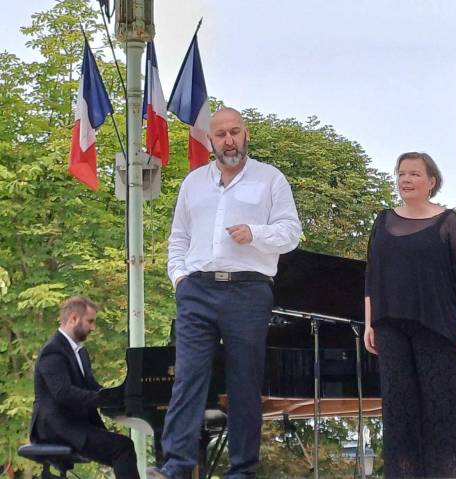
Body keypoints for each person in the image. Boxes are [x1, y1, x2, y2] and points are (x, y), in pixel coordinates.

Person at [148, 107, 302, 479]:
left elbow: (291, 233)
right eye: (221, 135)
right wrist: (179, 278)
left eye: (235, 132)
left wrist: (256, 233)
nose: (229, 140)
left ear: (245, 134)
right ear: (211, 141)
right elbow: (179, 238)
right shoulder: (193, 182)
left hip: (249, 291)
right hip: (197, 290)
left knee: (244, 383)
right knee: (187, 378)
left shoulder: (271, 179)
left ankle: (242, 471)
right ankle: (177, 467)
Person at [364, 152, 456, 478]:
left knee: (443, 414)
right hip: (390, 328)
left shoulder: (448, 223)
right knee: (399, 416)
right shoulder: (382, 222)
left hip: (437, 327)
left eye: (415, 174)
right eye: (402, 173)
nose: (406, 179)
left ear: (431, 182)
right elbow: (372, 276)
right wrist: (369, 323)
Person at [29, 296, 139, 478]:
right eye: (90, 321)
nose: (93, 327)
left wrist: (121, 397)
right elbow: (62, 393)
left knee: (121, 447)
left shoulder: (80, 351)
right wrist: (104, 399)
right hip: (56, 427)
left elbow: (91, 387)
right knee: (123, 448)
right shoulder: (53, 350)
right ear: (73, 318)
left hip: (72, 423)